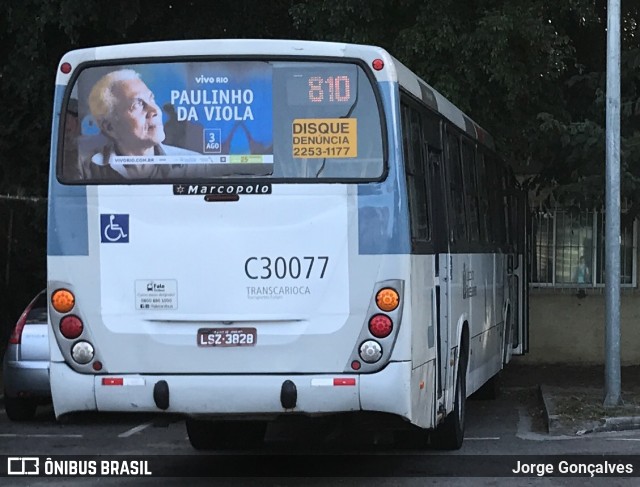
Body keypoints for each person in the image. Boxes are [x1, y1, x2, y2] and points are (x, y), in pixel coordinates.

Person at [77, 69, 197, 180]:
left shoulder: (196, 165)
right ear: (110, 127)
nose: (155, 110)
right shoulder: (86, 170)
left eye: (151, 99)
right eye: (137, 105)